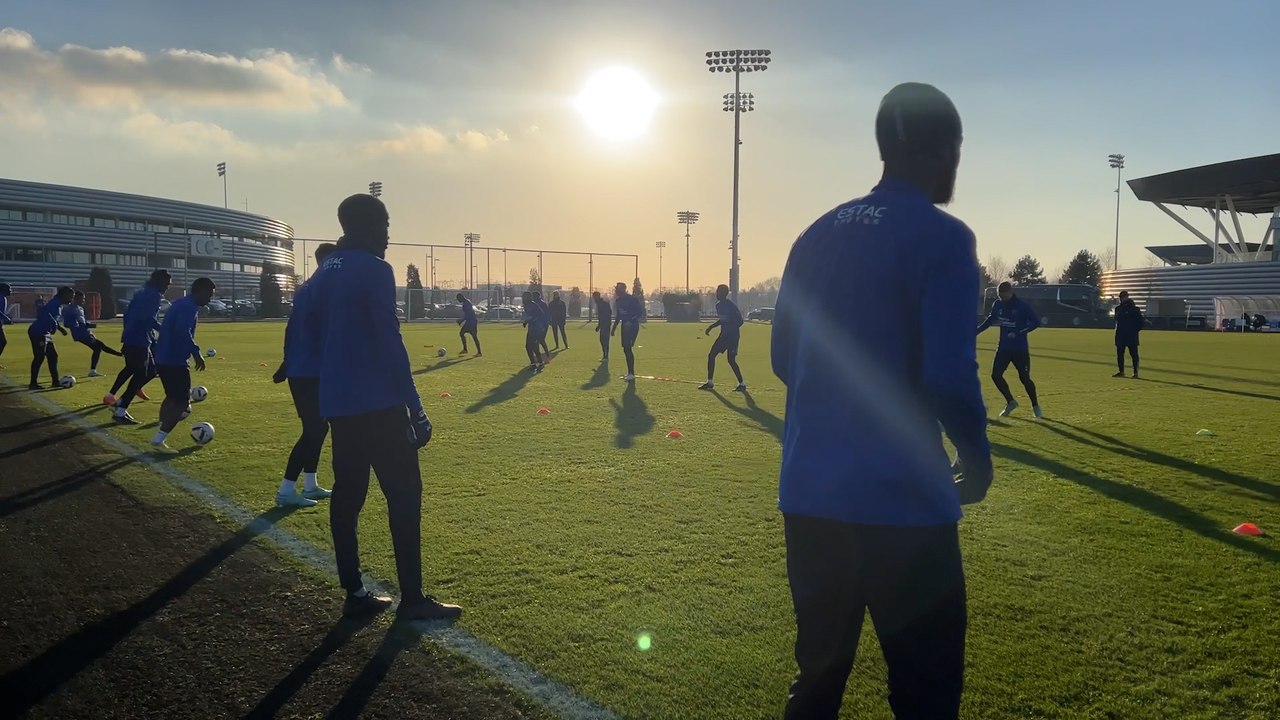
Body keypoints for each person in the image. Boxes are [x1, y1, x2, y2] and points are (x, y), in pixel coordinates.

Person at [771, 82, 992, 720]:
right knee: (925, 694)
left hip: (810, 498)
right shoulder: (944, 237)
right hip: (904, 504)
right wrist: (975, 458)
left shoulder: (813, 234)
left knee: (815, 681)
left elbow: (784, 359)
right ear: (947, 151)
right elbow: (949, 375)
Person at [308, 193, 461, 621]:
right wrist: (415, 405)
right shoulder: (375, 270)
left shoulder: (322, 275)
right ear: (369, 227)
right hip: (378, 402)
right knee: (404, 495)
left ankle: (354, 590)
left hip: (339, 403)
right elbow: (389, 341)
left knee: (348, 493)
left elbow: (312, 336)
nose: (389, 236)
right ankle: (412, 599)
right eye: (386, 226)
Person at [271, 243, 338, 508]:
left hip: (304, 369)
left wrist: (287, 362)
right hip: (310, 371)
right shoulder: (323, 289)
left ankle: (310, 484)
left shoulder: (307, 289)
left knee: (319, 427)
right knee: (314, 428)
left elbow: (291, 328)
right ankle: (286, 490)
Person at [150, 278, 215, 450]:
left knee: (171, 397)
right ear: (200, 291)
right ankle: (159, 439)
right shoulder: (188, 307)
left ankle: (159, 431)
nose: (209, 299)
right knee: (182, 403)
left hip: (163, 357)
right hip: (174, 360)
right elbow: (181, 331)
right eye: (209, 294)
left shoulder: (181, 303)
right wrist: (196, 352)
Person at [112, 270, 171, 423]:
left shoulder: (142, 293)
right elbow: (147, 319)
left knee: (150, 371)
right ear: (159, 281)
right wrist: (163, 330)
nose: (167, 287)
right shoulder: (154, 295)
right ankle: (120, 410)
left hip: (135, 337)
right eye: (166, 283)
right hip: (138, 339)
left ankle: (120, 402)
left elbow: (128, 315)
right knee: (142, 373)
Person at [977, 281, 1042, 418]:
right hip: (1003, 348)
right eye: (1000, 296)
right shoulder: (998, 304)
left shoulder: (1021, 306)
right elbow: (991, 319)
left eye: (1004, 295)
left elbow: (1036, 322)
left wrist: (1018, 332)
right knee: (995, 375)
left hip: (1020, 349)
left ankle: (1035, 406)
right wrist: (976, 331)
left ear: (1010, 292)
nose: (1002, 298)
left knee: (1024, 378)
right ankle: (1011, 402)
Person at [63, 290, 124, 377]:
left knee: (98, 347)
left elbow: (82, 322)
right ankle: (121, 355)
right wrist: (76, 325)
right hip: (80, 334)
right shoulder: (71, 309)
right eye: (82, 298)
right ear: (76, 298)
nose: (83, 300)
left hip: (86, 333)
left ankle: (93, 370)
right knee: (100, 346)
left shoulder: (80, 308)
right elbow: (67, 323)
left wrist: (88, 325)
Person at [699, 284, 746, 392]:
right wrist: (711, 327)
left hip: (732, 337)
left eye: (718, 292)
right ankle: (710, 382)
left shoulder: (731, 306)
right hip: (723, 337)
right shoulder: (719, 305)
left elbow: (740, 321)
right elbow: (723, 320)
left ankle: (742, 384)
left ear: (723, 293)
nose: (716, 294)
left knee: (731, 360)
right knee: (711, 355)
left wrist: (731, 330)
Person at [28, 286, 73, 389]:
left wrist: (60, 329)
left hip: (45, 333)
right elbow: (43, 313)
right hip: (38, 332)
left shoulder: (59, 305)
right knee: (39, 357)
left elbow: (53, 318)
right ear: (64, 295)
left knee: (53, 356)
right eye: (70, 296)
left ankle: (55, 381)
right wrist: (53, 324)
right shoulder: (55, 303)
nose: (71, 299)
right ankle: (33, 383)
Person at [611, 282, 642, 381]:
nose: (616, 290)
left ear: (623, 289)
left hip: (632, 326)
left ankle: (631, 373)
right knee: (626, 349)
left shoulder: (632, 299)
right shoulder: (618, 301)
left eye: (618, 288)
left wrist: (631, 321)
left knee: (628, 348)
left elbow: (639, 313)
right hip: (624, 327)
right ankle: (630, 373)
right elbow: (619, 316)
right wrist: (614, 328)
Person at [1113, 290, 1144, 378]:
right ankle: (1121, 371)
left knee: (1133, 354)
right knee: (1120, 354)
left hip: (1131, 335)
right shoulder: (1118, 309)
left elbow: (1140, 322)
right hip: (1121, 334)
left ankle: (1135, 372)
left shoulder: (1134, 309)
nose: (1121, 299)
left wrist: (1134, 330)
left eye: (1123, 297)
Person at [521, 291, 547, 371]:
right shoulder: (526, 305)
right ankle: (536, 363)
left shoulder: (533, 305)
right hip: (532, 328)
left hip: (537, 328)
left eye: (525, 297)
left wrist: (538, 323)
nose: (523, 298)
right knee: (529, 346)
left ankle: (538, 363)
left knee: (532, 346)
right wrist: (526, 321)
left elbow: (541, 315)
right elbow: (529, 316)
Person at [532, 291, 552, 357]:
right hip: (537, 325)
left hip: (543, 325)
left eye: (534, 296)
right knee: (537, 340)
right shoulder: (535, 304)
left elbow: (546, 315)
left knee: (541, 339)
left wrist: (544, 325)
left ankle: (547, 354)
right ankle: (538, 355)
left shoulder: (542, 304)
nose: (533, 298)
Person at [593, 291, 612, 360]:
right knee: (602, 340)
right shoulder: (599, 304)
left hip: (606, 324)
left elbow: (607, 314)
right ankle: (605, 355)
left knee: (605, 340)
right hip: (603, 324)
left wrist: (602, 324)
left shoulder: (603, 304)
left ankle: (606, 355)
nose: (594, 298)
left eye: (594, 297)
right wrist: (599, 326)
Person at [0, 283, 12, 361]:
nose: (10, 291)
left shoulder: (3, 297)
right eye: (9, 289)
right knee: (2, 341)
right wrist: (6, 318)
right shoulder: (1, 298)